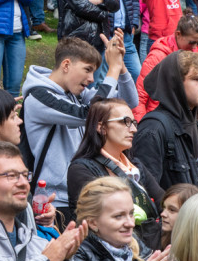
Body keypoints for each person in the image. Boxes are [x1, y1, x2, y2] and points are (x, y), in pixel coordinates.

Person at [22, 36, 137, 220]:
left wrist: (121, 66)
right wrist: (112, 69)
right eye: (87, 70)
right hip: (57, 200)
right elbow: (86, 114)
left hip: (86, 189)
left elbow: (128, 103)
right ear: (66, 65)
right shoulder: (38, 96)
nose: (91, 79)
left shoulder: (77, 94)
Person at [67, 98, 163, 237]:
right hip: (107, 254)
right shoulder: (81, 169)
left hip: (146, 247)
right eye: (125, 122)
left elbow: (163, 201)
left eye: (134, 122)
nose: (134, 129)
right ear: (101, 127)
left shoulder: (135, 165)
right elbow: (102, 220)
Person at [132, 50, 198, 189]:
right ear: (176, 84)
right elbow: (147, 190)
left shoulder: (193, 123)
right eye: (196, 79)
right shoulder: (153, 128)